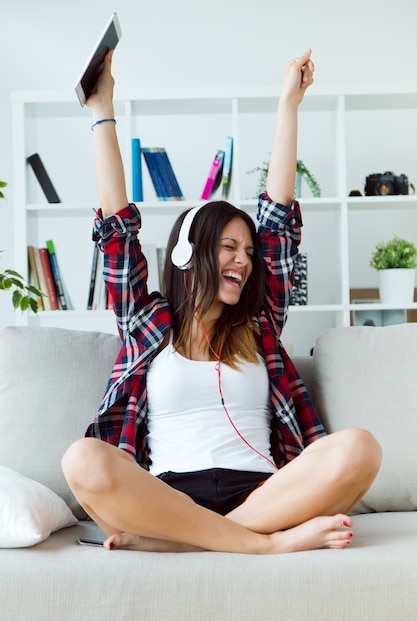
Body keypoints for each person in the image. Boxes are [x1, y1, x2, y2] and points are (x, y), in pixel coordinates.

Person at [62, 48, 382, 554]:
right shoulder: (146, 323)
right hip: (167, 494)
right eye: (229, 248)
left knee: (360, 448)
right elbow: (117, 232)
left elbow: (277, 220)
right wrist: (102, 107)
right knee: (82, 459)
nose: (244, 261)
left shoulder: (260, 324)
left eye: (249, 252)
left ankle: (190, 542)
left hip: (262, 492)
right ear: (190, 254)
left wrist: (288, 105)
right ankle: (264, 545)